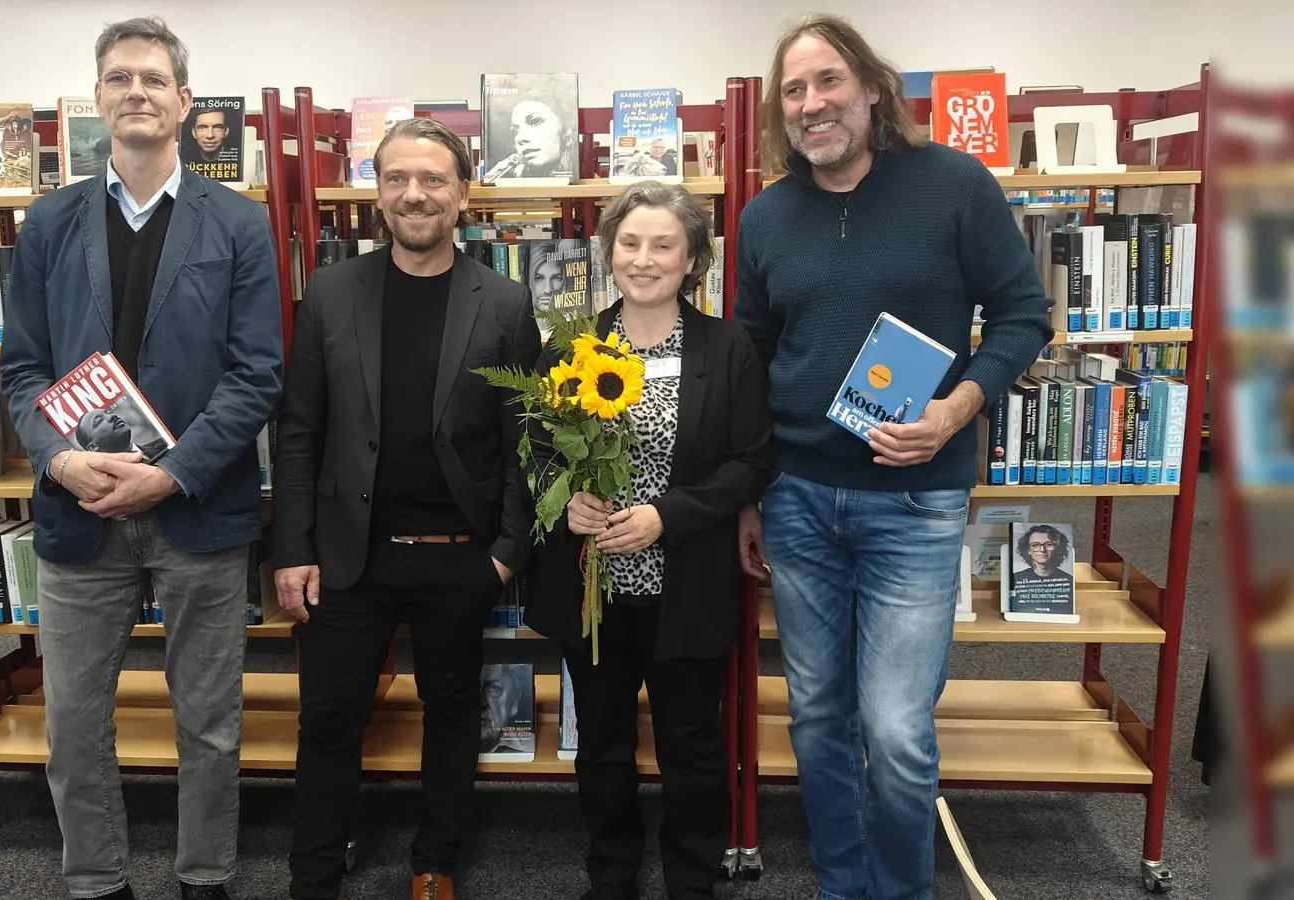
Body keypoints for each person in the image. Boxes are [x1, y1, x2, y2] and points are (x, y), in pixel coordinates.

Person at [733, 14, 1053, 900]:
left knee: (899, 731)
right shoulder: (765, 218)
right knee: (817, 719)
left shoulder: (953, 185)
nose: (811, 103)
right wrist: (752, 496)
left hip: (914, 503)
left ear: (872, 88)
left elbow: (1025, 316)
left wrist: (955, 410)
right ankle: (844, 885)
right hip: (797, 499)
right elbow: (749, 360)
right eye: (793, 91)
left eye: (828, 81)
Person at [0, 16, 283, 900]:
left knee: (210, 722)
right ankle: (95, 881)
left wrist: (171, 471)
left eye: (154, 80)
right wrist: (57, 462)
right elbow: (20, 369)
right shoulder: (47, 222)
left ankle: (206, 876)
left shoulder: (239, 223)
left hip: (197, 507)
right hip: (78, 511)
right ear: (97, 101)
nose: (136, 92)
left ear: (185, 102)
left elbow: (257, 371)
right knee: (74, 722)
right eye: (119, 78)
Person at [273, 115, 541, 900]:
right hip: (349, 554)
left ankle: (436, 862)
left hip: (461, 553)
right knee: (327, 720)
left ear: (463, 194)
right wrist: (293, 548)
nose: (414, 194)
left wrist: (507, 552)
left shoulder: (504, 302)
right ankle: (313, 873)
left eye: (432, 180)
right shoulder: (330, 292)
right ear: (377, 194)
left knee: (452, 714)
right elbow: (299, 429)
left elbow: (525, 439)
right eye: (397, 179)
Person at [525, 181, 772, 900]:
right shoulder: (572, 347)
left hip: (685, 587)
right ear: (608, 254)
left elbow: (753, 462)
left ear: (694, 258)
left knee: (693, 751)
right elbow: (535, 453)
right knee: (602, 747)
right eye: (629, 243)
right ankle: (611, 874)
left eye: (664, 244)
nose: (644, 258)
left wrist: (669, 515)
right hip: (593, 591)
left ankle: (692, 878)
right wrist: (565, 498)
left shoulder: (728, 348)